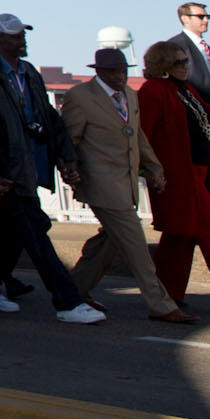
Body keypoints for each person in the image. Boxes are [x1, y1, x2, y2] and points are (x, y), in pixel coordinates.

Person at [0, 12, 104, 324]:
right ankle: (67, 301)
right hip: (10, 171)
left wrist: (67, 158)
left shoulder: (29, 73)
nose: (22, 39)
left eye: (22, 34)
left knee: (10, 234)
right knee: (36, 231)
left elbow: (48, 117)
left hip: (33, 164)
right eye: (15, 36)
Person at [63, 48, 185, 322]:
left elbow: (138, 135)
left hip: (125, 181)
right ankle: (161, 304)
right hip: (100, 183)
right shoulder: (79, 97)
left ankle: (74, 290)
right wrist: (68, 170)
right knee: (135, 245)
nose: (121, 76)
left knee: (110, 242)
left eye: (124, 71)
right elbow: (69, 141)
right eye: (114, 72)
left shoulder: (130, 95)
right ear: (100, 72)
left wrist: (154, 168)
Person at [137, 39, 210, 313]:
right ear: (162, 65)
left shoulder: (185, 89)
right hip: (178, 176)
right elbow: (143, 135)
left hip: (203, 170)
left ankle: (165, 294)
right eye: (179, 62)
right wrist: (150, 171)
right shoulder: (153, 90)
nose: (186, 66)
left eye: (186, 61)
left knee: (181, 236)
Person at [178, 4, 210, 113]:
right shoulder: (177, 46)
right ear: (185, 19)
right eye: (201, 16)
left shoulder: (208, 49)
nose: (206, 20)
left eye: (208, 17)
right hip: (197, 112)